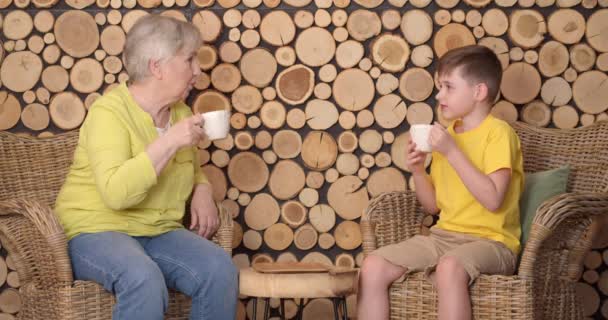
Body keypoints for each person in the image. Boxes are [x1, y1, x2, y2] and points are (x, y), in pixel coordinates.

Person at [54, 14, 238, 320]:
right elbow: (116, 194)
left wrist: (203, 188)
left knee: (219, 269)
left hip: (158, 231)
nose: (198, 70)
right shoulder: (108, 113)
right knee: (143, 279)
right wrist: (170, 142)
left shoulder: (179, 112)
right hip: (97, 230)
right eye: (190, 59)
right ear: (157, 66)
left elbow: (188, 166)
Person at [357, 45, 524, 320]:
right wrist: (418, 170)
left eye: (448, 87)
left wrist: (451, 152)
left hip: (493, 243)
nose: (439, 95)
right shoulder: (447, 136)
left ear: (478, 92)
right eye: (439, 86)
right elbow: (432, 206)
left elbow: (493, 199)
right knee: (373, 266)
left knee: (449, 267)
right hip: (444, 238)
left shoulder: (499, 134)